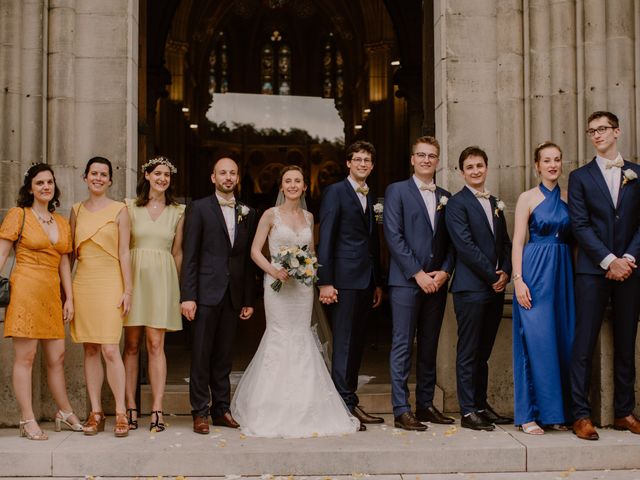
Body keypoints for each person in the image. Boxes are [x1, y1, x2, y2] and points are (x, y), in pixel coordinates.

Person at [231, 166, 360, 437]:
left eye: (297, 181)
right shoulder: (269, 214)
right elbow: (255, 251)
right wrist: (274, 270)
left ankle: (307, 404)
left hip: (302, 288)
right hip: (277, 286)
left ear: (304, 187)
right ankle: (271, 406)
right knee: (279, 335)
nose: (292, 185)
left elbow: (311, 252)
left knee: (301, 336)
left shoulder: (310, 216)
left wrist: (308, 268)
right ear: (281, 186)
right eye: (287, 181)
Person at [568, 111, 640, 441]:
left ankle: (624, 411)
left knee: (626, 342)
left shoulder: (637, 174)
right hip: (591, 271)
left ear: (617, 131)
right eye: (592, 131)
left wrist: (627, 258)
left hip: (631, 270)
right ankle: (580, 415)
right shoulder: (580, 177)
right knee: (583, 343)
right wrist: (608, 260)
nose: (597, 135)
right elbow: (579, 225)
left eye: (602, 129)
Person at [0, 164, 81, 440]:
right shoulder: (18, 215)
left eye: (49, 182)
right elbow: (2, 254)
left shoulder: (59, 222)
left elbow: (63, 262)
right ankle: (27, 418)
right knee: (26, 357)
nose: (46, 187)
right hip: (24, 289)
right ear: (30, 188)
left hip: (51, 293)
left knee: (57, 357)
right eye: (39, 183)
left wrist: (68, 297)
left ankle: (64, 411)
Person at [180, 157, 257, 435]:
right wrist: (188, 295)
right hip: (204, 293)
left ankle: (221, 408)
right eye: (222, 173)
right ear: (213, 177)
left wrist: (248, 298)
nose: (227, 177)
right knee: (201, 354)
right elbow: (190, 255)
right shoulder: (199, 208)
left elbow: (246, 260)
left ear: (237, 178)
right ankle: (199, 411)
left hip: (233, 294)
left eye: (232, 173)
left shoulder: (247, 211)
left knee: (225, 355)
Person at [383, 136, 455, 431]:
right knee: (402, 345)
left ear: (438, 161)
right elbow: (393, 236)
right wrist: (418, 273)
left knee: (429, 345)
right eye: (421, 155)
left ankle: (425, 405)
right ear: (412, 159)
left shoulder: (446, 196)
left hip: (436, 283)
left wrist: (445, 272)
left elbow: (452, 240)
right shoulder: (397, 191)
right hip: (405, 282)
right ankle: (401, 409)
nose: (426, 160)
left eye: (432, 156)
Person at [445, 146, 513, 431]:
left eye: (479, 165)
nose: (475, 171)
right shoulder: (456, 204)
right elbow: (465, 246)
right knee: (469, 351)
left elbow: (506, 243)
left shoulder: (496, 203)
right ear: (462, 172)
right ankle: (468, 410)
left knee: (483, 352)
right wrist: (492, 274)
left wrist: (506, 272)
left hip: (495, 289)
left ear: (487, 168)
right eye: (469, 167)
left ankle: (483, 406)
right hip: (470, 288)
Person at [317, 140, 384, 431]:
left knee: (357, 344)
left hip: (366, 280)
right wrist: (325, 281)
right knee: (343, 345)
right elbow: (327, 238)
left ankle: (350, 399)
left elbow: (372, 243)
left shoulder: (369, 195)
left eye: (367, 160)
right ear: (348, 163)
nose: (362, 164)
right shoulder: (335, 192)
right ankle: (341, 405)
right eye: (357, 159)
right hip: (342, 281)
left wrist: (377, 281)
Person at [511, 142, 575, 434]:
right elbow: (517, 242)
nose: (552, 165)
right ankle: (529, 414)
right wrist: (518, 279)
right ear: (537, 165)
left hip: (562, 274)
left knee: (561, 340)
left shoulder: (568, 198)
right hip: (534, 272)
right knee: (534, 341)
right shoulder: (527, 197)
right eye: (546, 160)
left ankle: (555, 413)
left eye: (557, 160)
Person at [70, 157, 132, 437]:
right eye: (93, 173)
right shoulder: (76, 210)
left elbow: (124, 253)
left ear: (109, 180)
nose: (98, 178)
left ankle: (120, 411)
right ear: (85, 177)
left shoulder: (120, 210)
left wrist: (127, 289)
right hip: (83, 282)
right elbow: (69, 255)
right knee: (90, 348)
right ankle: (96, 412)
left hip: (110, 281)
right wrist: (67, 295)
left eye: (103, 174)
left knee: (109, 348)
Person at [123, 156, 185, 432]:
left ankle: (158, 409)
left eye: (167, 175)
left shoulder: (178, 211)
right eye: (157, 173)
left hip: (162, 279)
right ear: (146, 175)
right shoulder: (129, 208)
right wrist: (124, 286)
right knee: (132, 345)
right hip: (134, 278)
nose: (162, 178)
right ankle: (130, 406)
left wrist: (177, 286)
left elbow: (178, 252)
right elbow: (123, 249)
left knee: (156, 343)